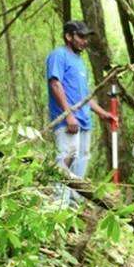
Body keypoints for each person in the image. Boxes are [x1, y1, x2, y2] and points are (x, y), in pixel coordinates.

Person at [46, 20, 113, 205]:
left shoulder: (80, 62)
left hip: (84, 121)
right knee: (66, 160)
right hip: (68, 121)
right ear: (69, 36)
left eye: (86, 37)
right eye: (81, 36)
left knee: (81, 163)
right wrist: (68, 115)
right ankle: (58, 206)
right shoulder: (58, 55)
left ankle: (73, 208)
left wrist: (102, 113)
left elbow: (86, 96)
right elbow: (55, 84)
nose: (85, 41)